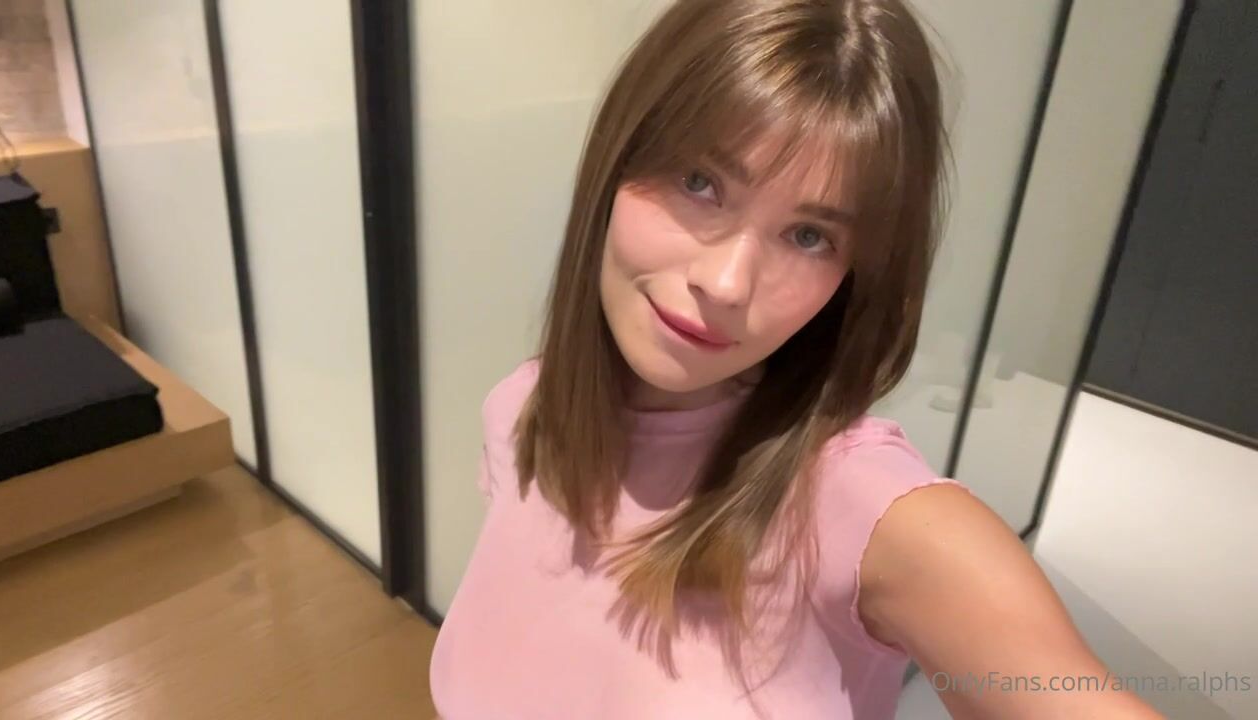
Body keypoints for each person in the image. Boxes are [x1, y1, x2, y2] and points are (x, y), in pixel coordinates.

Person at [430, 0, 1164, 717]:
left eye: (809, 236)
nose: (727, 283)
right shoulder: (521, 410)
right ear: (616, 158)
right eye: (699, 183)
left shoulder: (866, 517)